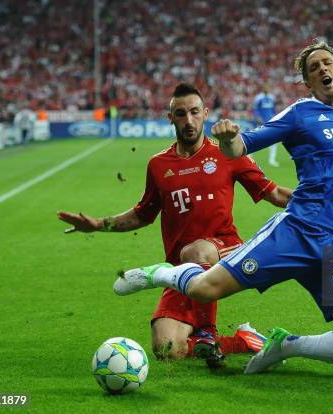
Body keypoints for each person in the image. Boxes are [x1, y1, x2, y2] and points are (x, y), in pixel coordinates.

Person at [113, 41, 333, 374]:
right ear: (307, 83)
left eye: (327, 63)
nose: (322, 69)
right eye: (313, 68)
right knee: (206, 289)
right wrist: (228, 137)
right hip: (298, 232)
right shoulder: (299, 114)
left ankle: (287, 345)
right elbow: (240, 146)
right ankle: (156, 273)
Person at [58, 82, 292, 366]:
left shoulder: (228, 155)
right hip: (181, 271)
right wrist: (97, 225)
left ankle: (207, 331)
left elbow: (275, 194)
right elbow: (142, 215)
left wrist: (318, 201)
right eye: (181, 114)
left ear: (206, 113)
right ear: (171, 118)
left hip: (226, 251)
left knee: (195, 252)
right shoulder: (159, 165)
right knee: (167, 349)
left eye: (194, 112)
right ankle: (243, 340)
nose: (189, 120)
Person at [252, 84, 279, 167]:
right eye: (265, 87)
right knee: (256, 140)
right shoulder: (258, 98)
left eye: (268, 87)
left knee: (274, 141)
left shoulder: (272, 97)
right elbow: (255, 109)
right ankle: (250, 159)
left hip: (271, 122)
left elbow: (273, 109)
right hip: (261, 122)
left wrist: (275, 117)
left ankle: (272, 160)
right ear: (263, 88)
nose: (267, 89)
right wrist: (257, 117)